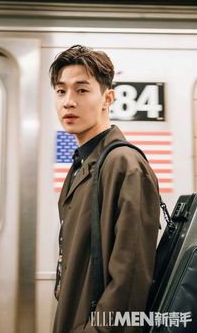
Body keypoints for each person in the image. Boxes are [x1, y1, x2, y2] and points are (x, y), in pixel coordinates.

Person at [49, 45, 160, 333]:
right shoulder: (81, 166)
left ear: (107, 98)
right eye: (61, 91)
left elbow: (131, 276)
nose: (68, 102)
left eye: (82, 90)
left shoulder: (125, 165)